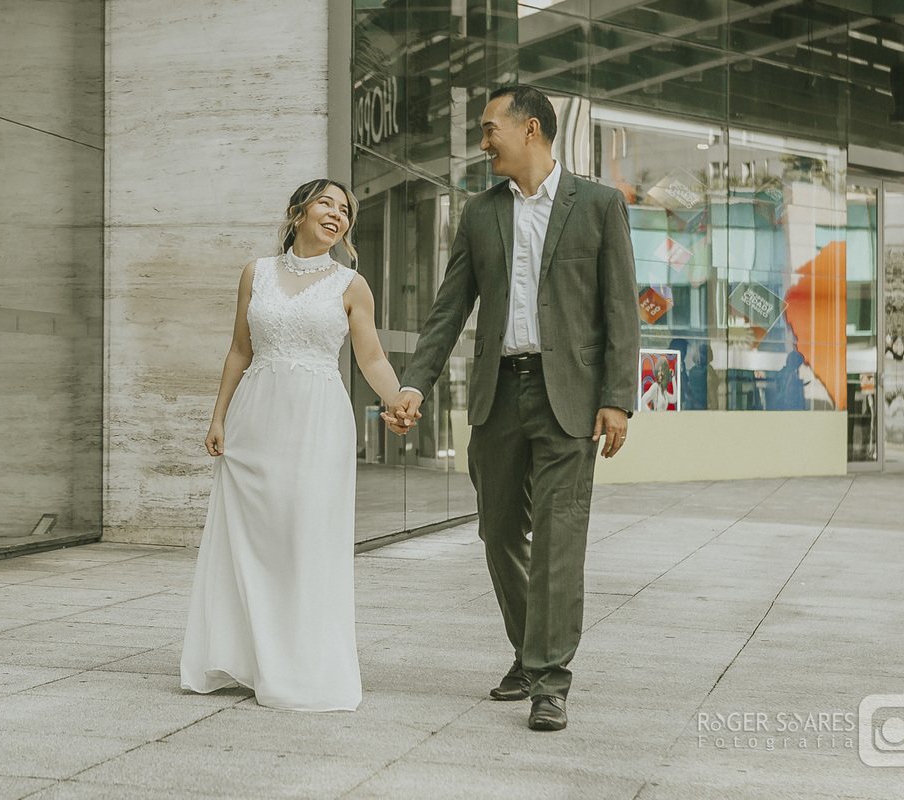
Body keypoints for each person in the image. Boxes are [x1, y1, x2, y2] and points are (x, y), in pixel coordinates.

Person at [385, 85, 640, 732]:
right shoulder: (479, 214)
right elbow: (449, 310)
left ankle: (548, 679)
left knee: (559, 539)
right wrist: (414, 383)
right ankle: (531, 653)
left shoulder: (600, 205)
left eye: (488, 127)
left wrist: (617, 399)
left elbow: (620, 309)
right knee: (498, 531)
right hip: (498, 394)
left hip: (572, 398)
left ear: (531, 129)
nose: (482, 141)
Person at [180, 179, 403, 712]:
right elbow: (239, 349)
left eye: (345, 210)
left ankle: (302, 665)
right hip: (256, 419)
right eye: (327, 202)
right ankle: (254, 658)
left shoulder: (352, 285)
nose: (337, 214)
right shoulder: (255, 273)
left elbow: (370, 358)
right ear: (298, 211)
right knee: (254, 539)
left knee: (305, 537)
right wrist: (218, 418)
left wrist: (397, 400)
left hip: (316, 421)